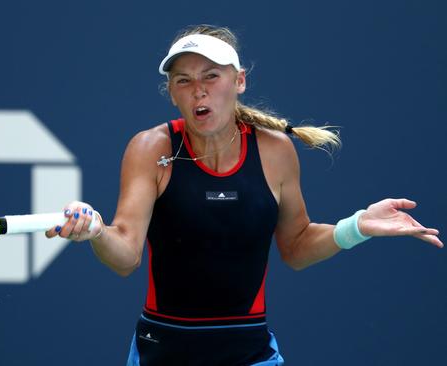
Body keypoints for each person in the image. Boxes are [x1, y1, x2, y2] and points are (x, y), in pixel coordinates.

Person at [45, 24, 443, 365]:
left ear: (239, 81)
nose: (198, 91)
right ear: (171, 92)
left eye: (211, 76)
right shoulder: (151, 148)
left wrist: (356, 227)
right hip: (161, 353)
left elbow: (297, 246)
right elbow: (125, 256)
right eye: (183, 80)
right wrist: (97, 231)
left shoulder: (275, 151)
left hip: (251, 354)